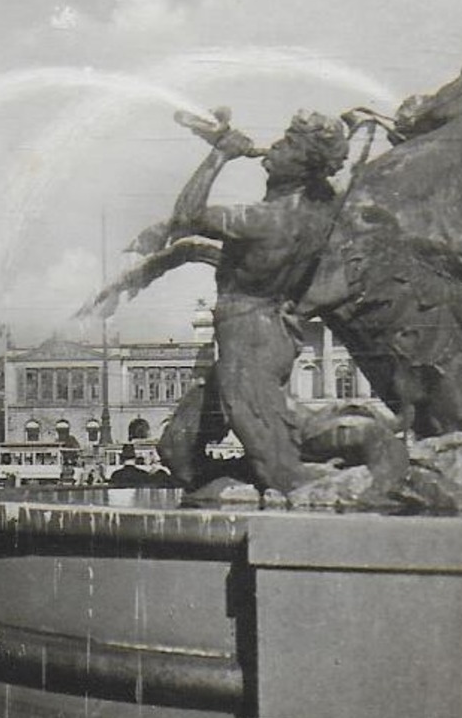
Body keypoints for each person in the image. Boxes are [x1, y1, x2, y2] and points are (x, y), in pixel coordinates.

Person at [138, 109, 352, 492]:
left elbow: (186, 216)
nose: (274, 146)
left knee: (282, 470)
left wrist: (220, 154)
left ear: (302, 164)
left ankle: (365, 451)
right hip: (268, 332)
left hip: (246, 340)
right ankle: (230, 489)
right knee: (177, 446)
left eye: (287, 144)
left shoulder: (265, 220)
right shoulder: (317, 215)